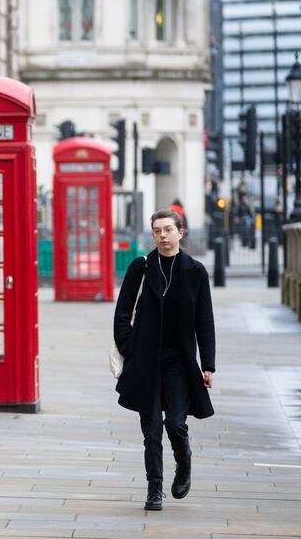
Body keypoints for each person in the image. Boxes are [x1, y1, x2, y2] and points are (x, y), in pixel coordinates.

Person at [113, 209, 215, 511]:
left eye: (168, 229)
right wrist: (131, 347)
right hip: (145, 361)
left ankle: (183, 461)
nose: (163, 235)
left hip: (179, 363)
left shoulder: (195, 272)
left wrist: (208, 364)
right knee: (151, 431)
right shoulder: (141, 268)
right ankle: (154, 489)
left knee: (174, 423)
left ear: (180, 232)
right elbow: (122, 313)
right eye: (157, 230)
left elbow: (205, 322)